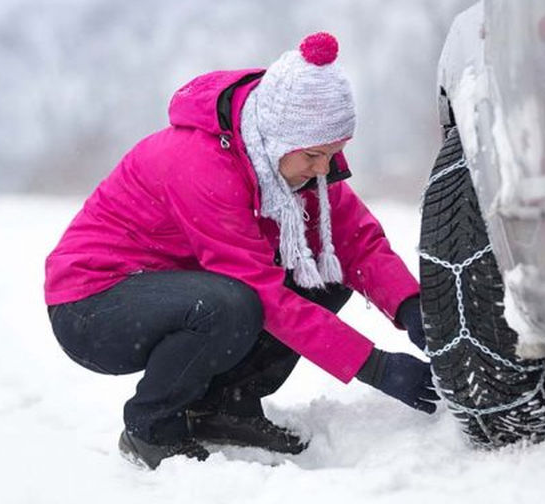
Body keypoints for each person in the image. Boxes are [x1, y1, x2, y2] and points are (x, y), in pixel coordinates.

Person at [45, 32, 438, 470]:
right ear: (277, 138)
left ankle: (225, 407)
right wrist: (376, 367)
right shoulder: (200, 165)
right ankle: (150, 429)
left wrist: (412, 309)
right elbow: (263, 294)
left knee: (320, 272)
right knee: (230, 305)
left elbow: (354, 244)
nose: (324, 168)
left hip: (178, 291)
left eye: (334, 153)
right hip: (91, 304)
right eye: (313, 155)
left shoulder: (292, 169)